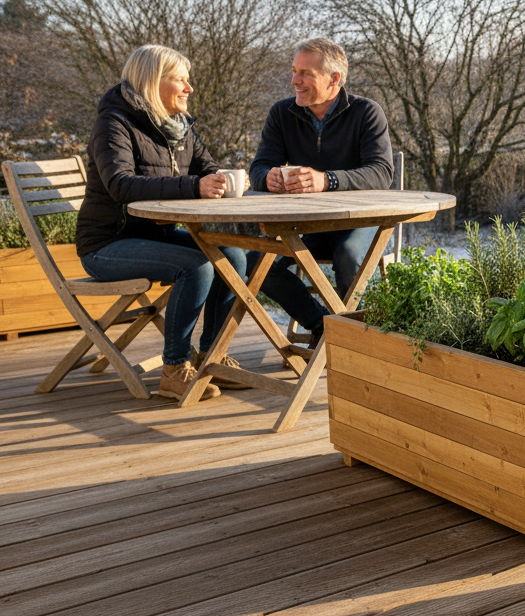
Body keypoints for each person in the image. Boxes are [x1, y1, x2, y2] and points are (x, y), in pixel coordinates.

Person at [77, 44, 249, 400]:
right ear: (154, 82)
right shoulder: (113, 123)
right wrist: (193, 186)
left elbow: (207, 166)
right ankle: (174, 368)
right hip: (108, 244)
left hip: (157, 236)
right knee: (196, 266)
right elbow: (120, 184)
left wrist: (226, 178)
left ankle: (212, 356)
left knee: (232, 255)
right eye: (181, 80)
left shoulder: (179, 127)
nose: (189, 89)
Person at [247, 38, 393, 345]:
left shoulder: (366, 113)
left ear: (334, 79)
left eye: (305, 73)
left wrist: (327, 180)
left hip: (358, 223)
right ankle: (323, 326)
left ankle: (364, 342)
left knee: (349, 255)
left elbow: (381, 173)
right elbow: (259, 166)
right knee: (254, 260)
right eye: (294, 71)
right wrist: (268, 177)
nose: (294, 80)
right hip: (304, 226)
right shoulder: (281, 113)